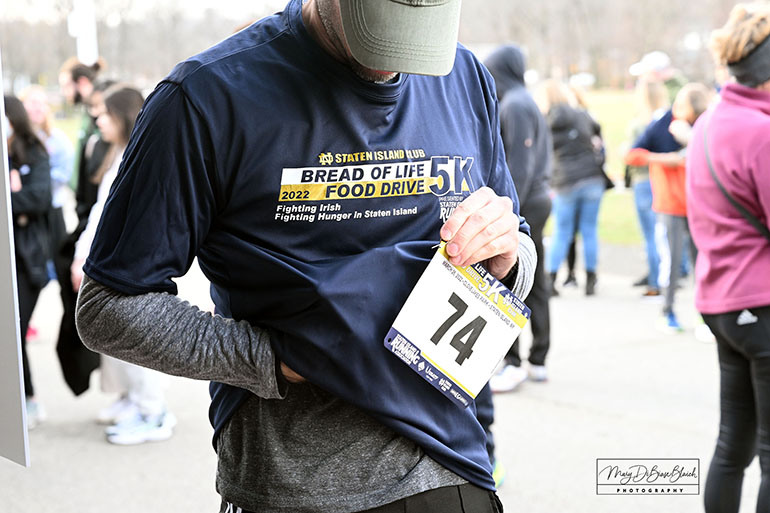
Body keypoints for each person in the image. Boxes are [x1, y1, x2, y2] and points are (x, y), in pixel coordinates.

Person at [75, 0, 537, 511]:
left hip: (452, 464)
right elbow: (107, 307)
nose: (396, 60)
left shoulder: (464, 75)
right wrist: (272, 359)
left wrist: (509, 257)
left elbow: (515, 244)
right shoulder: (206, 96)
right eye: (381, 29)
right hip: (298, 484)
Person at [686, 4, 770, 511]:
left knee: (732, 444)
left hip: (721, 301)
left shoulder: (710, 122)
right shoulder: (761, 132)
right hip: (760, 303)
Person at [71, 85, 176, 444]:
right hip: (113, 261)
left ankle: (153, 413)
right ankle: (135, 400)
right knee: (118, 340)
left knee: (136, 339)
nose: (98, 120)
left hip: (132, 264)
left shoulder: (140, 156)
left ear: (123, 116)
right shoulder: (118, 153)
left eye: (105, 114)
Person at [484, 45, 552, 392]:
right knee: (536, 281)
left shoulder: (516, 105)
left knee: (511, 280)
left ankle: (513, 361)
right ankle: (538, 358)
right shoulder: (524, 101)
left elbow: (519, 168)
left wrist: (511, 214)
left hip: (525, 202)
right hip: (536, 198)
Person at [626, 82, 711, 332]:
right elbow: (633, 154)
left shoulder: (702, 125)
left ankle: (704, 315)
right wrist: (665, 159)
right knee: (671, 260)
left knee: (701, 261)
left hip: (697, 204)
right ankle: (668, 311)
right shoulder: (661, 125)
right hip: (670, 204)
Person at [55, 74, 115, 396]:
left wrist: (83, 254)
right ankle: (127, 397)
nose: (97, 118)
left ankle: (148, 407)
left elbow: (102, 208)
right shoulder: (100, 144)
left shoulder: (121, 153)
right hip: (93, 239)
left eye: (103, 112)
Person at [4, 95, 52, 428]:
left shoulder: (33, 150)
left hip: (26, 261)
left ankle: (28, 400)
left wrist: (11, 198)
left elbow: (39, 198)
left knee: (14, 331)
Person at [536, 79, 605, 296]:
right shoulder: (582, 115)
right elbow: (599, 139)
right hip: (591, 177)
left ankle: (551, 279)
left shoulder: (545, 122)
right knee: (589, 230)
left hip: (564, 181)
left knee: (562, 231)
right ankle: (590, 280)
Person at [625, 78, 668, 297]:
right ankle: (664, 275)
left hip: (643, 181)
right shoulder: (665, 122)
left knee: (651, 235)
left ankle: (655, 282)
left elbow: (631, 156)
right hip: (662, 180)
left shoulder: (639, 125)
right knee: (663, 233)